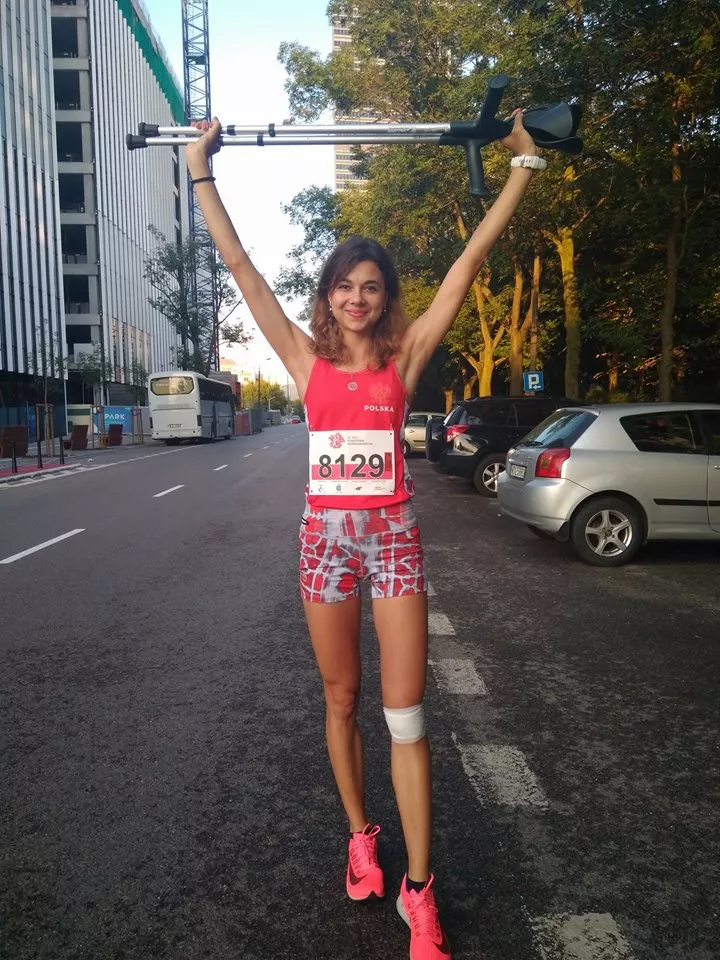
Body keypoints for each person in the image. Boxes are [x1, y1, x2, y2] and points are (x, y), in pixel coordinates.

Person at [185, 110, 542, 960]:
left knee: (406, 715)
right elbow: (241, 268)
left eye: (371, 287)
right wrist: (200, 171)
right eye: (345, 285)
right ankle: (359, 835)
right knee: (341, 699)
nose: (357, 297)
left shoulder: (402, 359)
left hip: (394, 545)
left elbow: (467, 265)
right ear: (327, 296)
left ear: (385, 298)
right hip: (325, 546)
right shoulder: (303, 361)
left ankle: (419, 890)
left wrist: (523, 165)